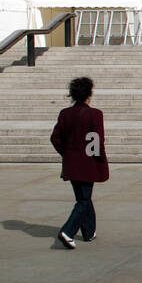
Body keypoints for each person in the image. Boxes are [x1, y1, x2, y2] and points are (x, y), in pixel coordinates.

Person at [50, 76, 109, 250]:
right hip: (87, 163)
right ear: (88, 95)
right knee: (83, 200)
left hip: (71, 163)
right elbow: (96, 140)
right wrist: (99, 159)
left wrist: (68, 153)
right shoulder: (95, 114)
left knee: (83, 197)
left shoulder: (65, 114)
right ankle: (68, 231)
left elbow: (55, 138)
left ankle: (89, 232)